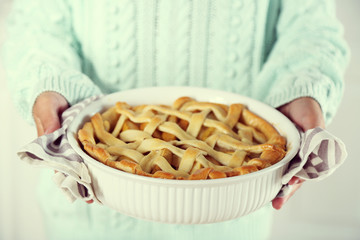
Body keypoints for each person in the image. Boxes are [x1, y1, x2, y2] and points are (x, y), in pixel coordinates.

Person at [1, 0, 349, 239]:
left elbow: (310, 26)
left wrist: (303, 88)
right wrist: (48, 83)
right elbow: (38, 22)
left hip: (232, 217)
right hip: (89, 220)